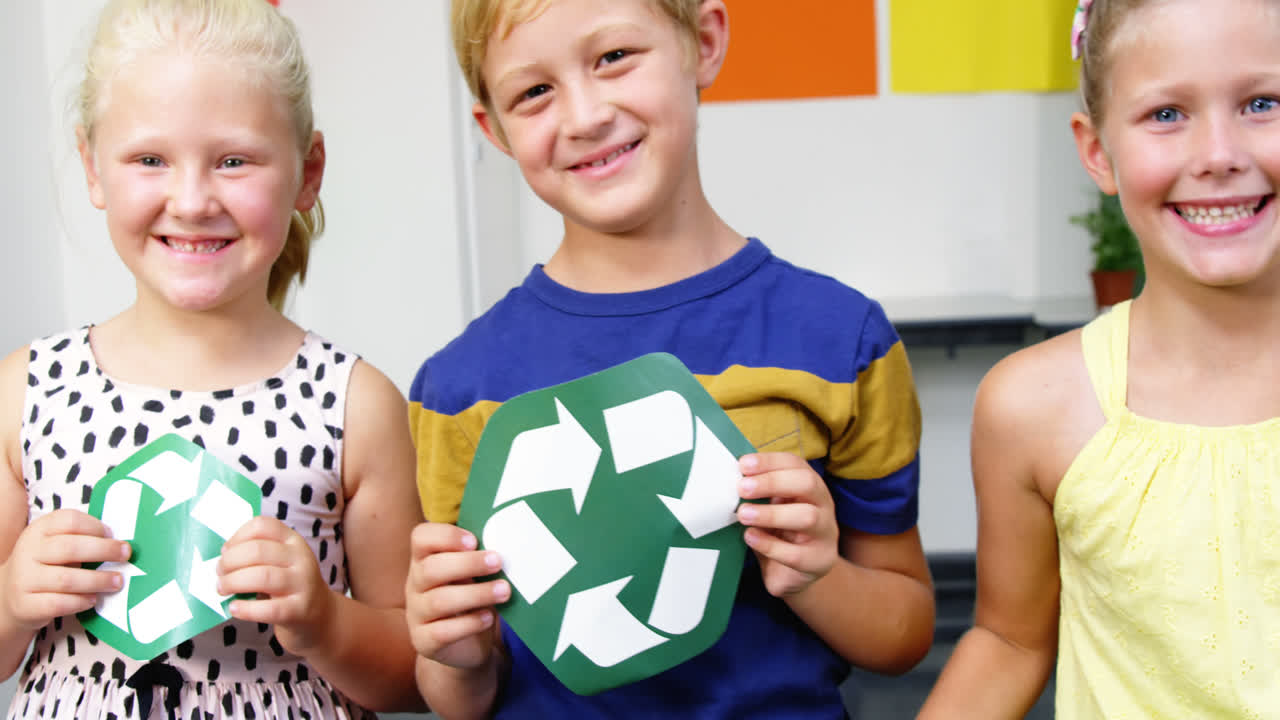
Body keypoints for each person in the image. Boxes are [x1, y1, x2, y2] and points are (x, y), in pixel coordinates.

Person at [403, 0, 936, 717]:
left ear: (704, 42)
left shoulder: (841, 341)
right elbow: (463, 691)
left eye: (614, 57)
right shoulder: (458, 390)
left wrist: (819, 577)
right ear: (493, 129)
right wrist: (455, 655)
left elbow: (904, 632)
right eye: (534, 92)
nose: (585, 115)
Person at [0, 1, 424, 718]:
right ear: (93, 168)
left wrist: (325, 621)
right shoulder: (27, 391)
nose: (192, 201)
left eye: (233, 161)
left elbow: (418, 676)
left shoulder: (354, 404)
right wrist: (12, 599)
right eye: (150, 160)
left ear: (308, 170)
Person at [917, 0, 1280, 717]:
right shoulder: (1035, 407)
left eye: (1262, 103)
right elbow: (1010, 642)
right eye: (1167, 114)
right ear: (1095, 151)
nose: (1219, 153)